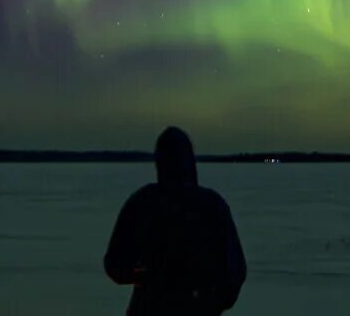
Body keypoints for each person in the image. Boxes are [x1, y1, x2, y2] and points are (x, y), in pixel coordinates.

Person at [104, 127, 246, 315]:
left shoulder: (142, 202)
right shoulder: (213, 205)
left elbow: (114, 265)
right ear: (190, 161)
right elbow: (235, 270)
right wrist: (212, 302)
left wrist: (144, 274)